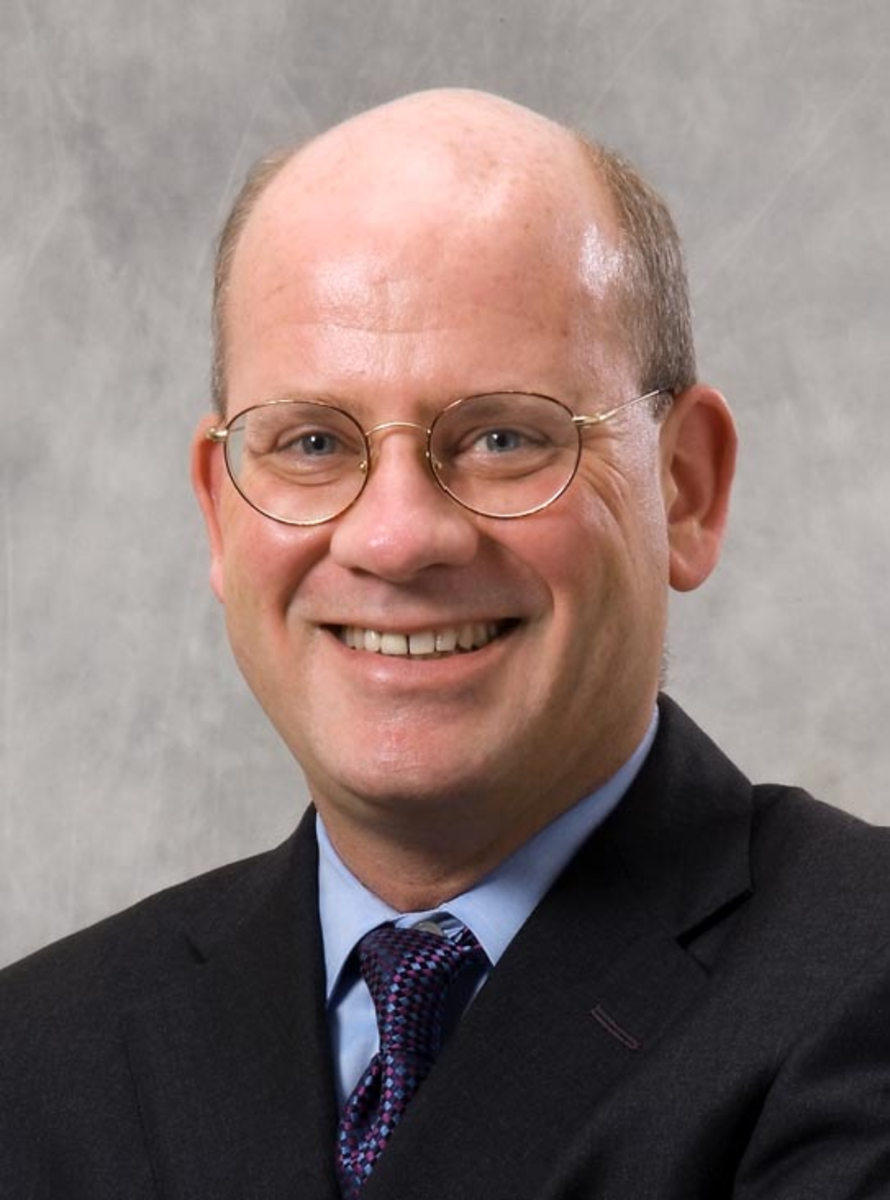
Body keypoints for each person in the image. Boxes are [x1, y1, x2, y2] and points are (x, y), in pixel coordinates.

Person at [2, 88, 890, 1199]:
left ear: (685, 487)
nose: (396, 537)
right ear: (220, 512)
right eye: (312, 443)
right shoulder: (32, 1060)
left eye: (503, 436)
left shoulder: (860, 979)